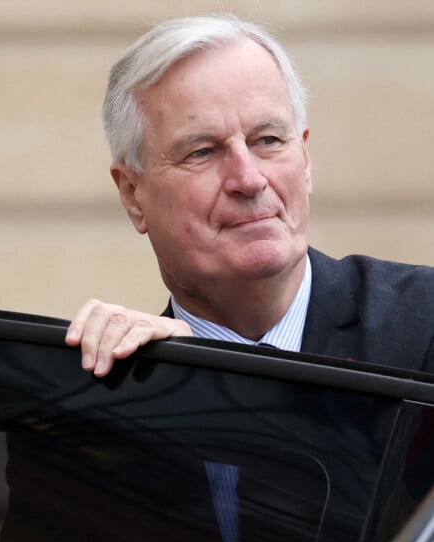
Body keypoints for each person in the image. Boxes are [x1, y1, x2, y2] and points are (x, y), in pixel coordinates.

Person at [65, 13, 434, 377]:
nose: (249, 179)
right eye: (202, 152)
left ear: (305, 160)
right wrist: (189, 385)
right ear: (132, 195)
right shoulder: (107, 399)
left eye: (268, 141)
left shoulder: (423, 325)